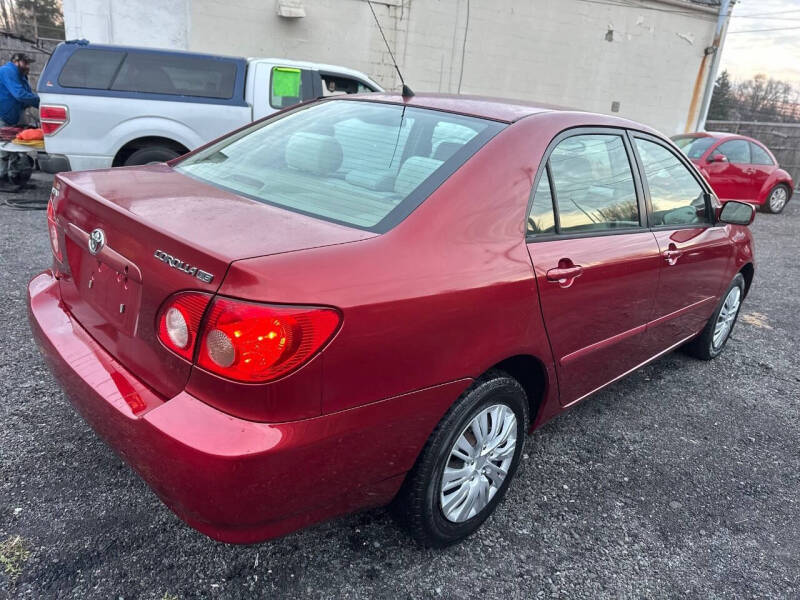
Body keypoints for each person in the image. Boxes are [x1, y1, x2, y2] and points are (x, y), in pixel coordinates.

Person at [0, 52, 39, 182]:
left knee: (13, 147)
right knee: (4, 148)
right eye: (25, 63)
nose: (28, 66)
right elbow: (20, 94)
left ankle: (13, 176)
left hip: (14, 113)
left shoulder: (20, 75)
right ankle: (2, 176)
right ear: (16, 61)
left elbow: (26, 94)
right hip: (4, 114)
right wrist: (41, 102)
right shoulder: (8, 71)